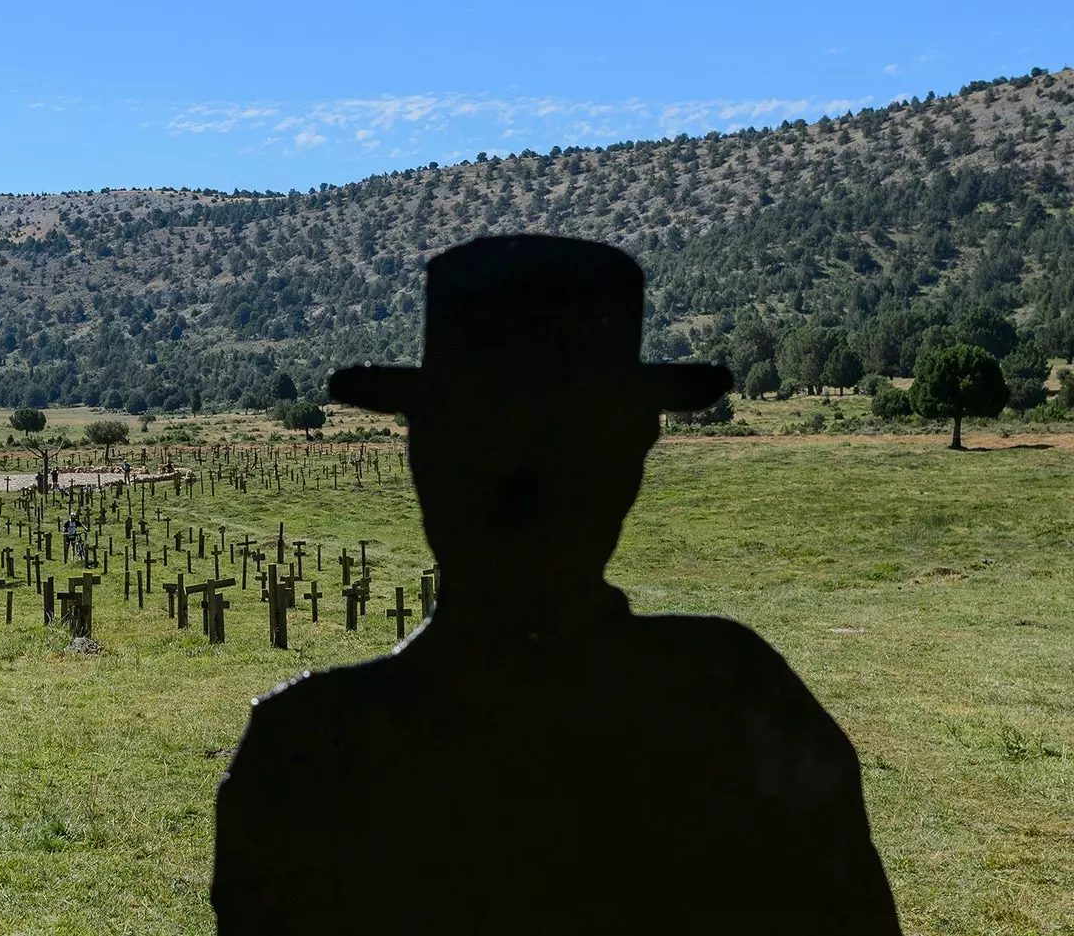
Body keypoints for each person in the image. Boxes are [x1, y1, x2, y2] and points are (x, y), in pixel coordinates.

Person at [212, 236, 902, 936]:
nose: (524, 477)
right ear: (633, 450)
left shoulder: (307, 753)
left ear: (426, 453)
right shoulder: (744, 705)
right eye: (499, 435)